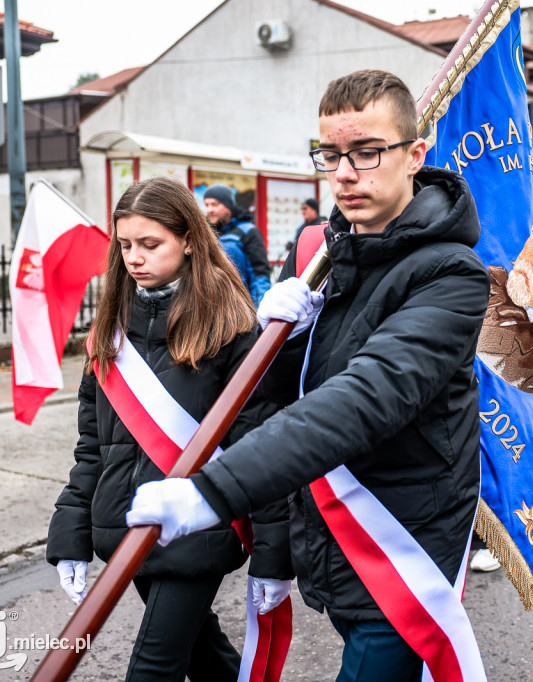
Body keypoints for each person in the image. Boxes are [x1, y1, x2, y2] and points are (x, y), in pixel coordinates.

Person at [125, 69, 490, 682]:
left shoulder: (450, 274)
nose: (345, 173)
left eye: (368, 152)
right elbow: (288, 392)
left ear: (415, 154)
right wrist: (275, 341)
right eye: (331, 154)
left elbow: (364, 397)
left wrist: (215, 489)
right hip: (333, 533)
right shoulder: (332, 254)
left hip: (402, 538)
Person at [46, 176, 284, 681]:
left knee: (153, 667)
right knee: (202, 650)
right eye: (126, 245)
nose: (134, 257)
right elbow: (94, 448)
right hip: (128, 525)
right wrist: (71, 531)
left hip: (200, 527)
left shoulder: (232, 326)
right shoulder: (107, 329)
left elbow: (260, 445)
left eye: (150, 244)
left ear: (190, 240)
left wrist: (273, 551)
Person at [204, 184, 272, 306]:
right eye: (207, 205)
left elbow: (260, 274)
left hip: (242, 307)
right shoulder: (207, 235)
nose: (209, 210)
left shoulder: (248, 231)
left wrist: (260, 310)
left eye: (214, 204)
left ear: (229, 205)